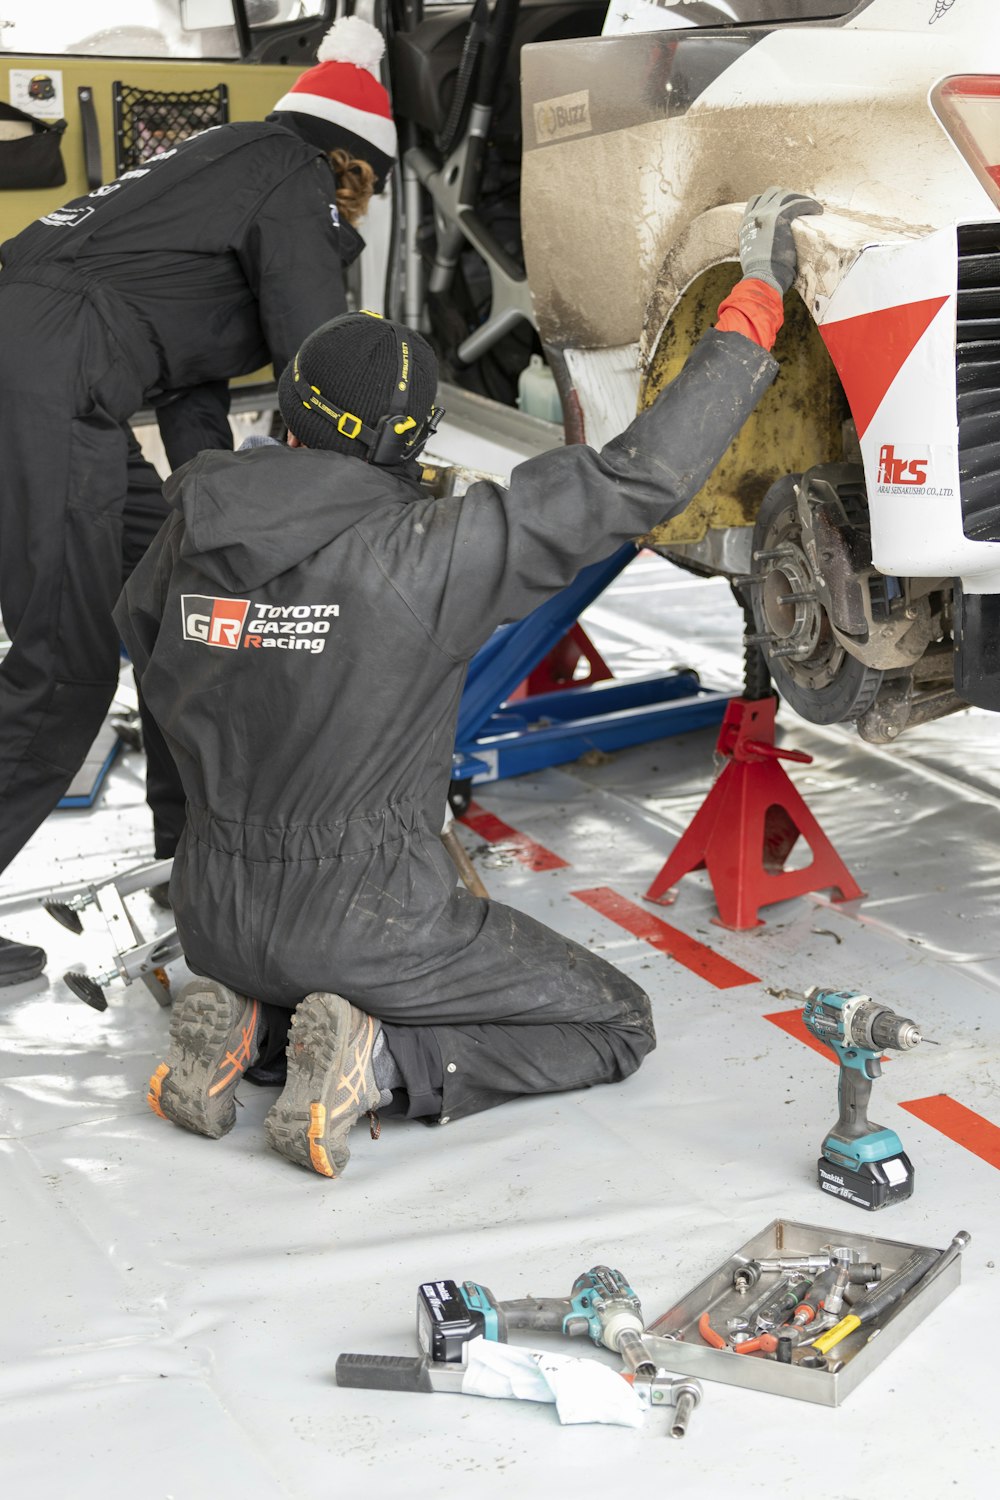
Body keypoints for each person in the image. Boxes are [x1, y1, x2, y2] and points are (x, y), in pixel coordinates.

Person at [115, 189, 821, 1178]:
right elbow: (636, 482)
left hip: (214, 913)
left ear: (285, 412)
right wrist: (755, 300)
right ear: (411, 441)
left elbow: (147, 656)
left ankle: (249, 1025)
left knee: (291, 954)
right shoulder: (428, 552)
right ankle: (379, 1064)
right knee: (614, 1022)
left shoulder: (193, 517)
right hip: (368, 923)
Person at [0, 17, 397, 986]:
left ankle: (193, 861)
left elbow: (191, 384)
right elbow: (319, 353)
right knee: (64, 672)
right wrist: (380, 487)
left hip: (56, 368)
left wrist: (213, 509)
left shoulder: (209, 164)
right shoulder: (286, 170)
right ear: (351, 164)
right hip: (51, 376)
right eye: (365, 189)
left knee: (183, 599)